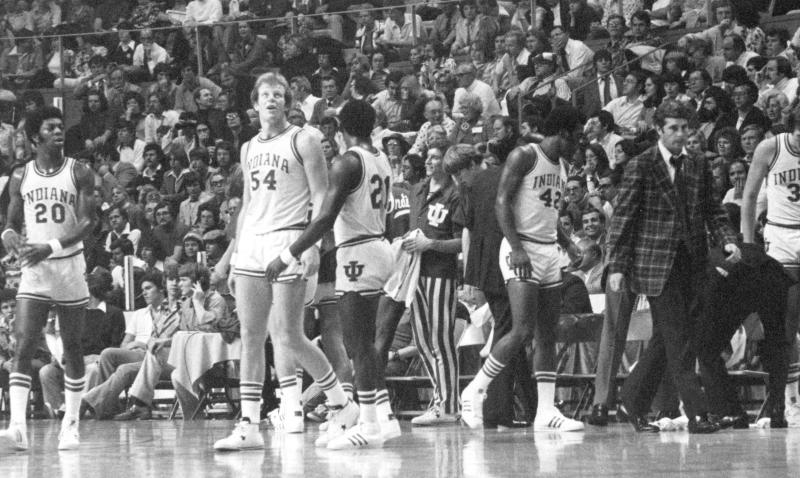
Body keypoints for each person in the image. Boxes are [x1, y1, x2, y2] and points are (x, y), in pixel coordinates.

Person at [212, 73, 357, 452]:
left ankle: (341, 403)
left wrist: (311, 247)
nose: (272, 99)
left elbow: (322, 196)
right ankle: (248, 424)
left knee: (290, 336)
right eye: (265, 94)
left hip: (288, 239)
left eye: (278, 94)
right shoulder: (246, 148)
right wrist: (235, 254)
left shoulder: (304, 138)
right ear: (254, 103)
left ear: (288, 101)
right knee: (251, 336)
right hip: (253, 245)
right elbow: (245, 206)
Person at [607, 100, 740, 434]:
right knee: (679, 337)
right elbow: (623, 218)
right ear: (659, 130)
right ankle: (698, 413)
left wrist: (727, 238)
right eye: (674, 129)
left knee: (669, 337)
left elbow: (713, 209)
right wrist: (617, 265)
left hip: (693, 262)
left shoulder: (696, 164)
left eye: (685, 129)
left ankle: (632, 400)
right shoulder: (641, 165)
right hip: (654, 263)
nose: (681, 135)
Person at [273, 99, 397, 448]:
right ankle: (384, 417)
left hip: (358, 251)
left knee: (358, 344)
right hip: (378, 245)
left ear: (341, 129)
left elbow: (324, 219)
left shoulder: (347, 162)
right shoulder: (381, 157)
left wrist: (287, 253)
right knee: (366, 342)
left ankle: (369, 423)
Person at [460, 105, 586, 432]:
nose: (581, 143)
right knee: (521, 330)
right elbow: (501, 202)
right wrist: (516, 246)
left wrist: (568, 243)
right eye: (579, 136)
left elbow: (547, 211)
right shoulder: (524, 156)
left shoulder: (561, 165)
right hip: (521, 247)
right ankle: (475, 390)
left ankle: (546, 412)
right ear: (566, 132)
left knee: (547, 335)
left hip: (547, 249)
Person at [0, 107, 97, 451]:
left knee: (72, 348)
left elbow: (89, 222)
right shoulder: (20, 176)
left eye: (60, 125)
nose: (59, 131)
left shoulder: (79, 171)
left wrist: (51, 245)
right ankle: (17, 428)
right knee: (23, 343)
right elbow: (10, 219)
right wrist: (9, 234)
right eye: (50, 127)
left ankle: (70, 424)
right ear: (35, 137)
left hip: (68, 265)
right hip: (35, 270)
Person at [741, 107, 800, 426]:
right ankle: (789, 401)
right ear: (791, 129)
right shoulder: (771, 148)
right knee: (785, 327)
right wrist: (749, 245)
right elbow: (749, 198)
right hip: (781, 237)